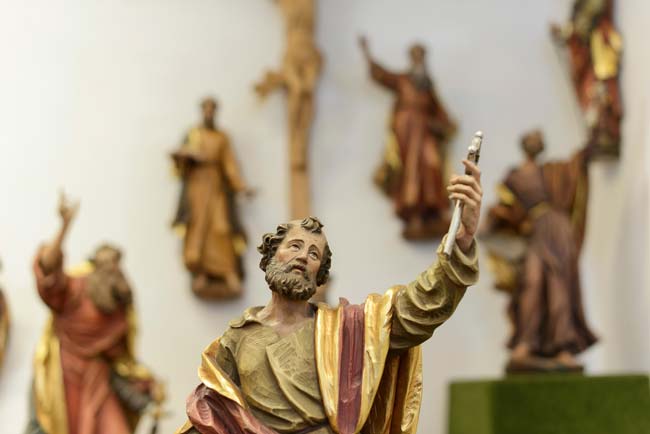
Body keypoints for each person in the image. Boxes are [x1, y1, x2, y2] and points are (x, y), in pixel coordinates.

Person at [176, 161, 482, 434]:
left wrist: (462, 241)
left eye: (314, 254)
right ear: (270, 256)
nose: (302, 257)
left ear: (319, 275)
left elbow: (416, 308)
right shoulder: (237, 337)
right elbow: (212, 417)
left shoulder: (346, 331)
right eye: (294, 246)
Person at [26, 194, 163, 434]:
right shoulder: (76, 289)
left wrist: (145, 383)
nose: (114, 270)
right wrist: (64, 227)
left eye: (117, 264)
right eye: (108, 264)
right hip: (67, 376)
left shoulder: (119, 304)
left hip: (99, 379)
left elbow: (122, 359)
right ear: (95, 266)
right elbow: (48, 271)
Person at [482, 130, 598, 372]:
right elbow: (506, 207)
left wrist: (591, 137)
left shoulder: (553, 171)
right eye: (532, 138)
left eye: (539, 139)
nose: (536, 142)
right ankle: (525, 344)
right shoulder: (514, 176)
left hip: (558, 230)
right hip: (535, 233)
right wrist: (489, 223)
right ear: (524, 144)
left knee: (560, 287)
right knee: (531, 284)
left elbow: (576, 165)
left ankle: (563, 348)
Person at [360, 36, 457, 239]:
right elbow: (382, 75)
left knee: (432, 165)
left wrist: (444, 124)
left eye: (422, 56)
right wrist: (367, 53)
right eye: (416, 56)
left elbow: (439, 110)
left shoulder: (427, 85)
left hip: (425, 131)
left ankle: (434, 211)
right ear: (411, 59)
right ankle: (414, 213)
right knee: (411, 170)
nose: (419, 60)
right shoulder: (402, 80)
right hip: (407, 131)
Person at [172, 97, 253, 299]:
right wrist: (186, 156)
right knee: (198, 228)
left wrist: (241, 187)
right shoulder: (193, 134)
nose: (209, 113)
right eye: (206, 110)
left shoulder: (222, 137)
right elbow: (181, 163)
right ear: (202, 111)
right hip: (197, 188)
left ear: (215, 112)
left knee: (221, 227)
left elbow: (230, 165)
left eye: (212, 110)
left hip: (216, 187)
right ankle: (201, 273)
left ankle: (228, 272)